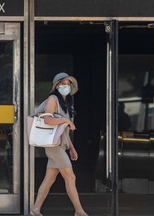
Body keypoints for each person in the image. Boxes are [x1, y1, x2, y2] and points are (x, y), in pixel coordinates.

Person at [29, 72, 88, 216]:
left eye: (68, 84)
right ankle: (79, 211)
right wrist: (67, 121)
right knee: (70, 177)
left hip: (60, 145)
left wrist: (72, 148)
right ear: (56, 86)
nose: (66, 86)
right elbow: (48, 120)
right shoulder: (53, 99)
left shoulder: (66, 103)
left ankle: (35, 210)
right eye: (63, 84)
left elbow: (63, 132)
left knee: (49, 179)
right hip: (54, 147)